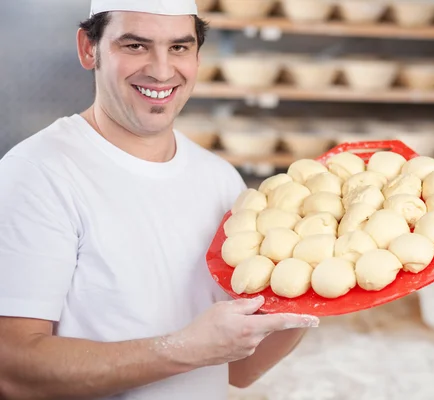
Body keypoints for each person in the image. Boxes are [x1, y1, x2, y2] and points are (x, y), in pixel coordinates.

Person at [0, 1, 319, 399]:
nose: (162, 70)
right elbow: (11, 368)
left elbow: (239, 368)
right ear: (88, 48)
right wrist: (184, 349)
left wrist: (314, 295)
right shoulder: (38, 173)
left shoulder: (219, 179)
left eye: (179, 48)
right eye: (135, 46)